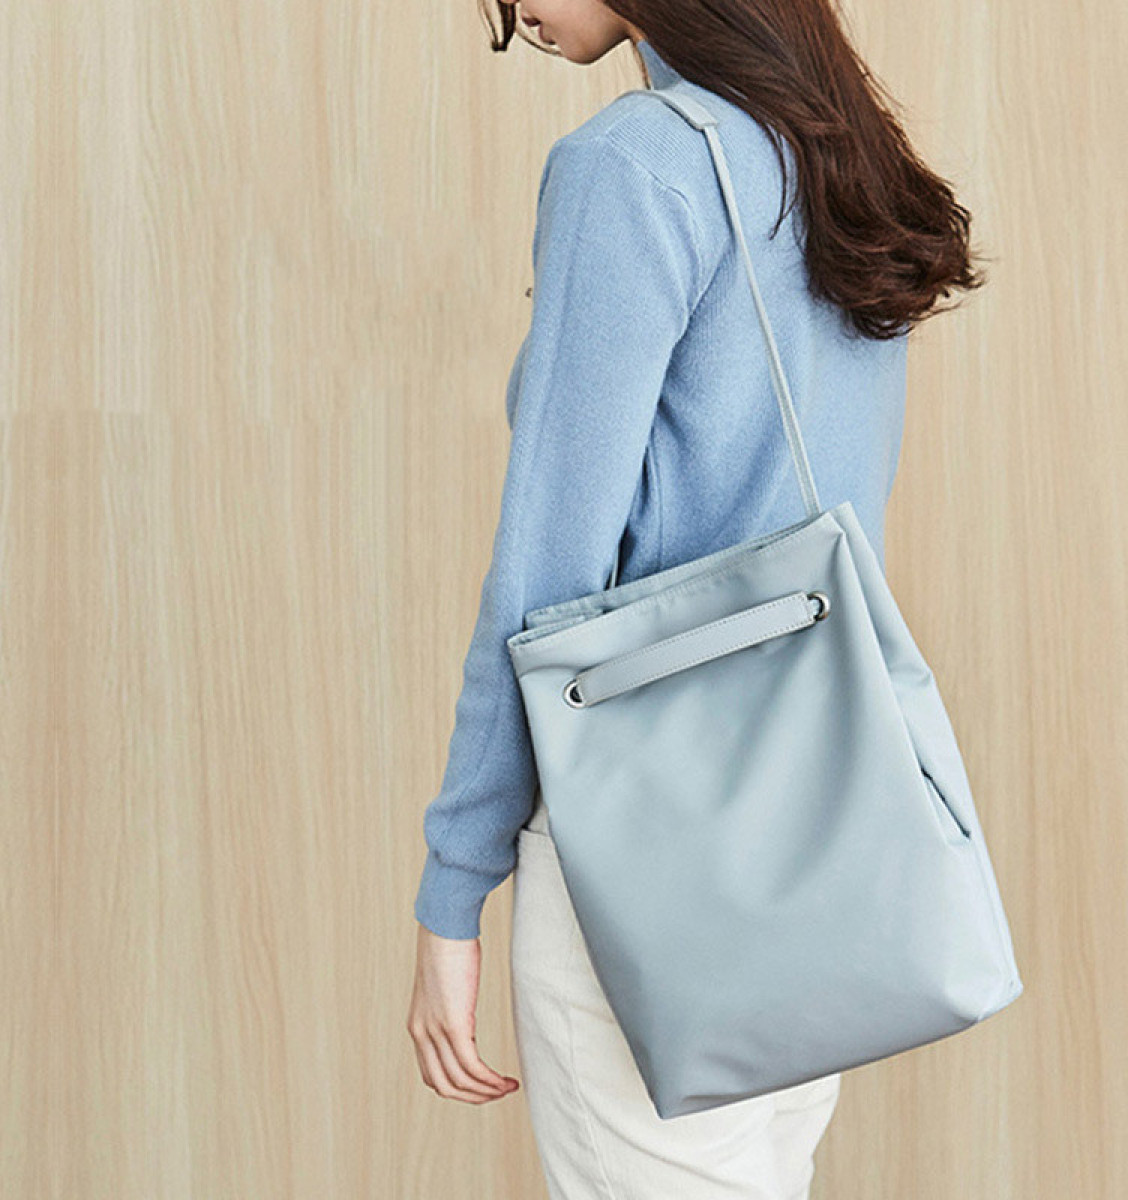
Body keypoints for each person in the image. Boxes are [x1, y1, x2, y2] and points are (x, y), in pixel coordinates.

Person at [407, 2, 986, 1195]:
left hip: (656, 837)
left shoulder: (631, 166)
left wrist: (455, 886)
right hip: (823, 815)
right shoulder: (826, 153)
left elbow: (545, 577)